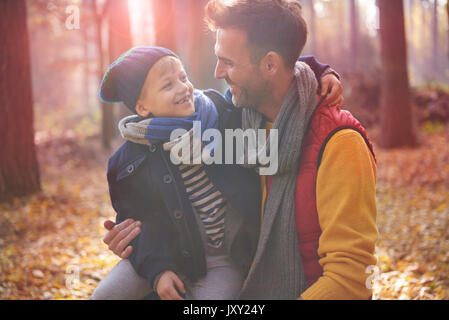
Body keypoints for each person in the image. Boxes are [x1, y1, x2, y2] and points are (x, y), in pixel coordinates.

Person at [103, 0, 378, 300]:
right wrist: (140, 247)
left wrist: (320, 70)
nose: (218, 73)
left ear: (270, 65)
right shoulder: (237, 118)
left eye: (229, 62)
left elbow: (351, 281)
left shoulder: (339, 143)